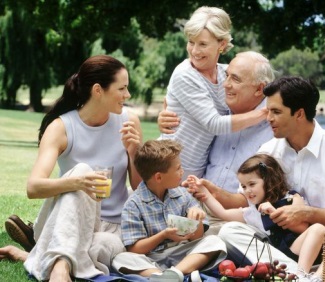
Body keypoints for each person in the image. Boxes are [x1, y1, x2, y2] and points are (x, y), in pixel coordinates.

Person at [192, 75, 325, 277]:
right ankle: (299, 276)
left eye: (276, 112)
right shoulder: (269, 150)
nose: (268, 118)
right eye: (268, 111)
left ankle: (285, 273)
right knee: (229, 232)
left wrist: (306, 214)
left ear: (299, 114)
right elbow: (246, 200)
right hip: (277, 246)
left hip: (322, 249)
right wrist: (213, 191)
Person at [0, 54, 143, 281]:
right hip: (64, 221)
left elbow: (138, 186)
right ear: (98, 90)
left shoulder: (129, 122)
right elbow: (33, 187)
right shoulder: (62, 127)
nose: (128, 95)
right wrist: (77, 182)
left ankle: (37, 256)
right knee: (83, 169)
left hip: (111, 227)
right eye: (122, 88)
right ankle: (60, 270)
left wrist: (134, 151)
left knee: (103, 247)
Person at [159, 51, 275, 235]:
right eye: (227, 75)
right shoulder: (217, 112)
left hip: (237, 221)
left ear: (259, 89)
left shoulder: (274, 126)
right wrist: (164, 117)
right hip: (197, 210)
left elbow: (261, 197)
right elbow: (178, 114)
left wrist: (215, 194)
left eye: (235, 79)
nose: (225, 84)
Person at [159, 6, 267, 179]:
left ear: (222, 44)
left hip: (197, 174)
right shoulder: (184, 74)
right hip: (166, 171)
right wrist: (264, 113)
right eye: (191, 42)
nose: (194, 51)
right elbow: (214, 123)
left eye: (202, 44)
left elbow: (261, 86)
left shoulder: (226, 74)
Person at [188, 154, 325, 281]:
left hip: (299, 250)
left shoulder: (292, 198)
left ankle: (300, 275)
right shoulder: (254, 211)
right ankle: (300, 276)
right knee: (228, 229)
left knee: (319, 228)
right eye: (244, 186)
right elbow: (223, 213)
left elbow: (302, 228)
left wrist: (273, 213)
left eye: (252, 184)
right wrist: (203, 192)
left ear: (268, 180)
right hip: (276, 256)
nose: (247, 190)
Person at [111, 140, 227, 282]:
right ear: (159, 177)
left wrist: (197, 221)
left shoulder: (182, 195)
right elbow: (134, 249)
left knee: (214, 241)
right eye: (178, 168)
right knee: (121, 259)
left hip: (183, 252)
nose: (182, 172)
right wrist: (163, 235)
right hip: (151, 258)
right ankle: (166, 276)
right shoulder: (133, 204)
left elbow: (197, 237)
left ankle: (174, 274)